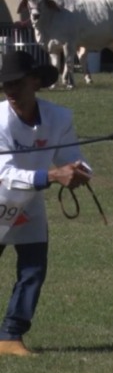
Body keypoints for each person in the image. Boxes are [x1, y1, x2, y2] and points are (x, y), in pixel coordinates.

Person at [0, 51, 91, 357]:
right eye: (5, 85)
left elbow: (73, 158)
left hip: (29, 205)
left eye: (17, 83)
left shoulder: (59, 117)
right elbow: (5, 173)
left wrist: (79, 172)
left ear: (35, 81)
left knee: (33, 271)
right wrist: (52, 175)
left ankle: (10, 336)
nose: (11, 91)